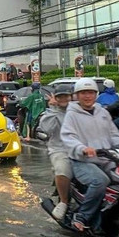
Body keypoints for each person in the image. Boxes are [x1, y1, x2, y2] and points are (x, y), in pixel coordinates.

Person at [61, 78, 119, 232]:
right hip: (82, 161)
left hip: (106, 159)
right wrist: (82, 148)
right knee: (101, 180)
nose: (87, 96)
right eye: (83, 93)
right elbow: (68, 137)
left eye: (91, 93)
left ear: (96, 94)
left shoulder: (103, 112)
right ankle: (82, 216)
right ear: (77, 96)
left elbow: (114, 135)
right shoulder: (72, 115)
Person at [36, 85, 74, 220]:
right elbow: (45, 129)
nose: (64, 99)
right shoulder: (51, 113)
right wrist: (53, 109)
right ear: (55, 98)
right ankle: (63, 202)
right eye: (60, 97)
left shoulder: (79, 110)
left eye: (66, 96)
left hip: (82, 150)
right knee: (62, 170)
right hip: (60, 149)